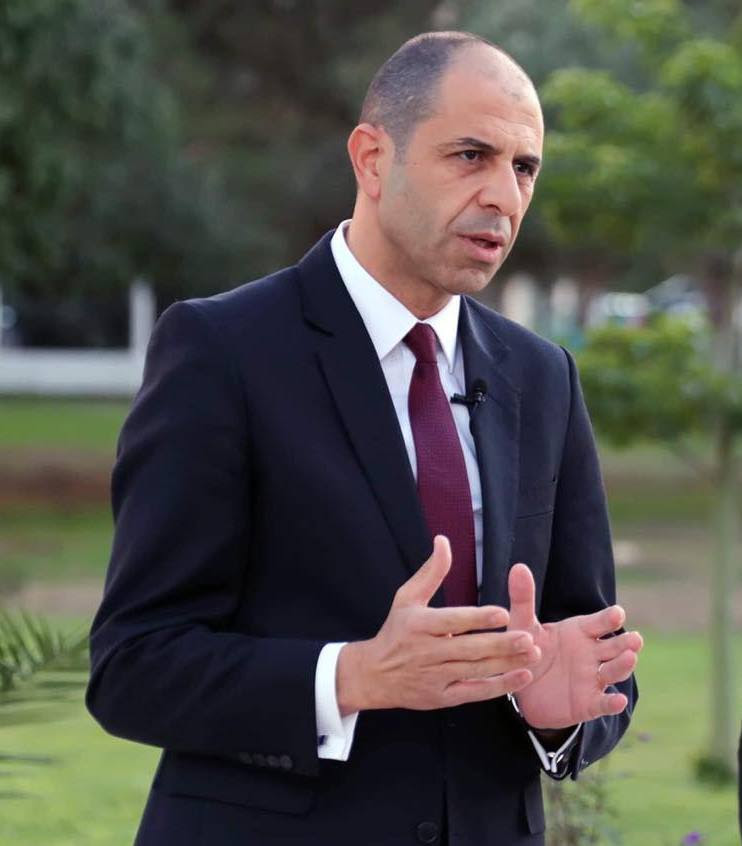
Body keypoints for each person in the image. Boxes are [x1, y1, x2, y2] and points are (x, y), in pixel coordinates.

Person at [86, 31, 643, 846]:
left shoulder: (542, 375)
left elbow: (586, 642)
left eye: (525, 168)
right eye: (471, 156)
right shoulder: (222, 350)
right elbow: (134, 666)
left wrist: (559, 716)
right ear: (372, 159)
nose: (504, 196)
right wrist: (350, 677)